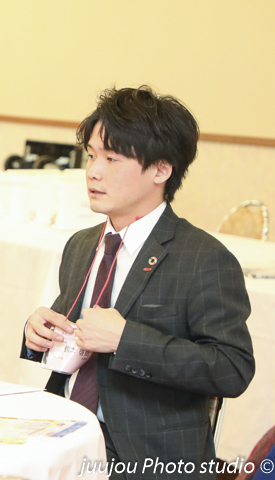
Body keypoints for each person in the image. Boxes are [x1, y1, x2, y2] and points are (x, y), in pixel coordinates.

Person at [20, 86, 255, 480]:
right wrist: (39, 333)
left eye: (112, 159)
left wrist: (125, 340)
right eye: (92, 155)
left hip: (145, 456)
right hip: (64, 435)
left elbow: (232, 368)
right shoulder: (82, 245)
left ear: (161, 170)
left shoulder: (202, 258)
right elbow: (73, 334)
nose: (93, 171)